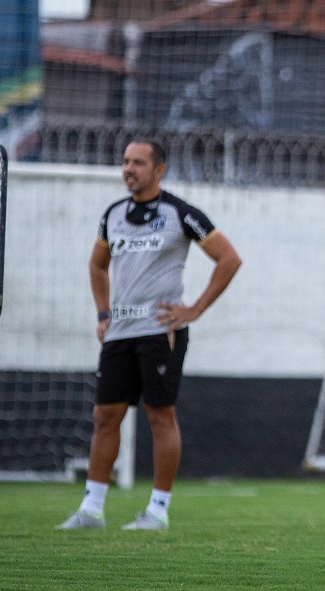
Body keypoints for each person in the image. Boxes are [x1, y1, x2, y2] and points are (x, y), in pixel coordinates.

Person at [58, 139, 242, 531]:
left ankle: (157, 511)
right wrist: (103, 313)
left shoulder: (180, 213)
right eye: (125, 162)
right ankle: (91, 509)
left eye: (138, 163)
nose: (129, 169)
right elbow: (96, 265)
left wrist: (194, 309)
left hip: (162, 332)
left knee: (160, 417)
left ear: (159, 170)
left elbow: (229, 258)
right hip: (119, 333)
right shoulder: (113, 214)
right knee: (105, 416)